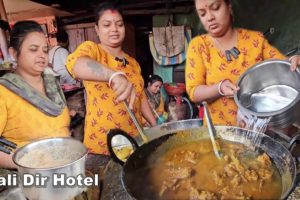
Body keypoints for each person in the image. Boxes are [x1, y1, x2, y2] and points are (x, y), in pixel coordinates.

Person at [185, 0, 300, 126]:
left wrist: (293, 61)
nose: (210, 17)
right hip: (219, 132)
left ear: (229, 7)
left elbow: (282, 65)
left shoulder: (255, 40)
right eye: (202, 14)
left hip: (257, 129)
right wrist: (219, 88)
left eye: (216, 8)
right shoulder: (199, 46)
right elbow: (194, 92)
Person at [66, 2, 156, 160]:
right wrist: (113, 75)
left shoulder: (133, 63)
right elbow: (75, 64)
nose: (114, 29)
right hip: (102, 145)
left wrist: (156, 127)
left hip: (133, 140)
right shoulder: (93, 51)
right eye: (107, 25)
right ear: (97, 29)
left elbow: (140, 98)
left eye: (119, 24)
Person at [0, 20, 71, 169]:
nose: (41, 55)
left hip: (65, 168)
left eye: (45, 50)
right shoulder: (4, 92)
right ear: (14, 53)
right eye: (33, 49)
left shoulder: (52, 84)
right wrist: (34, 160)